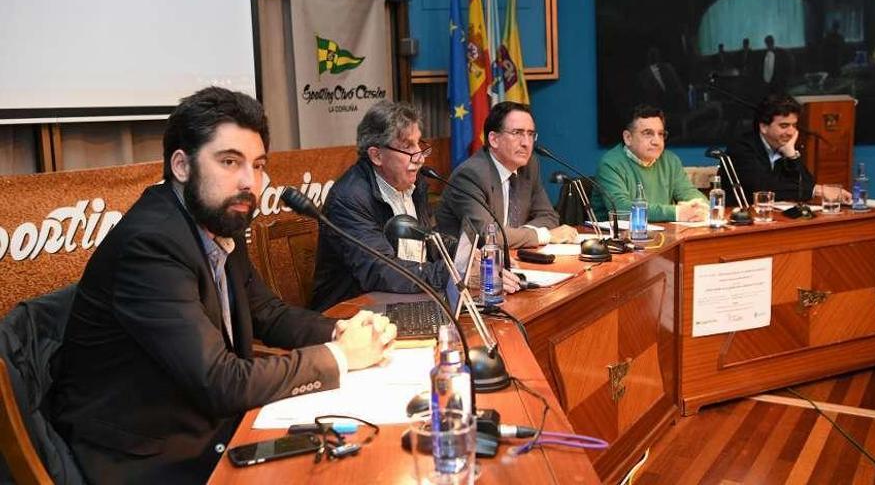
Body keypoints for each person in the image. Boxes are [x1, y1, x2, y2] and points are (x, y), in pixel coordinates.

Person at [49, 87, 396, 484]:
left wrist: (341, 330)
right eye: (230, 161)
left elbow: (267, 313)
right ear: (181, 165)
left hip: (206, 424)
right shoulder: (150, 245)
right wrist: (339, 356)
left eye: (259, 164)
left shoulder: (217, 219)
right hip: (149, 458)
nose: (250, 181)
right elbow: (220, 381)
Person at [311, 101, 521, 312]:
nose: (419, 157)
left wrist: (470, 257)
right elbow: (382, 271)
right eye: (407, 147)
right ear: (376, 155)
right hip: (350, 314)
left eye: (419, 143)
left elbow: (429, 239)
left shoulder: (413, 182)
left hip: (403, 300)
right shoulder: (349, 198)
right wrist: (458, 272)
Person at [435, 101, 578, 248]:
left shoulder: (529, 166)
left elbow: (549, 216)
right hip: (465, 266)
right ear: (494, 140)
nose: (526, 143)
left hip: (511, 258)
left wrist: (517, 236)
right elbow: (487, 236)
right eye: (517, 133)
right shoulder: (470, 175)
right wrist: (543, 235)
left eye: (530, 134)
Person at [725, 94, 853, 203]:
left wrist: (792, 155)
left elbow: (807, 183)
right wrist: (818, 190)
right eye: (784, 125)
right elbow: (763, 188)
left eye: (794, 125)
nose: (791, 132)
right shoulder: (741, 147)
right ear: (764, 127)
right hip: (741, 220)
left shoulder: (785, 146)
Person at [594, 104, 707, 222]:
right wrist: (677, 213)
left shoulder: (670, 160)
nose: (656, 141)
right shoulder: (610, 164)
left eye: (661, 134)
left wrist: (701, 207)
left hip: (663, 235)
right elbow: (622, 210)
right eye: (648, 133)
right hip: (616, 238)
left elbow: (688, 192)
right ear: (628, 137)